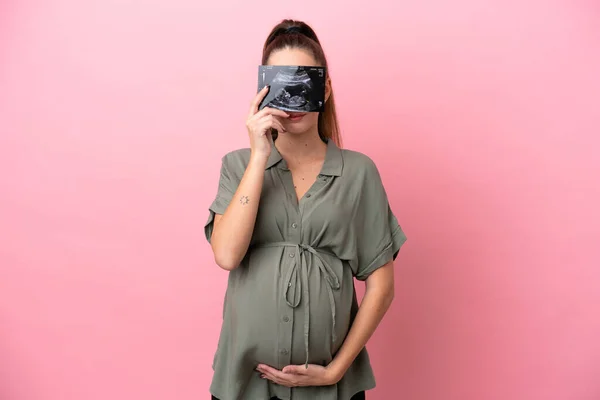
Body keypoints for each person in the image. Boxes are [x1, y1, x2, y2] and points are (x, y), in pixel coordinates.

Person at [204, 19, 407, 400]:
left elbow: (382, 285)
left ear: (325, 88)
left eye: (305, 81)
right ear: (263, 89)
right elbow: (227, 254)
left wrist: (335, 370)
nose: (293, 96)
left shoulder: (358, 172)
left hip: (331, 389)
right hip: (243, 384)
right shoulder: (237, 165)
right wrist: (260, 155)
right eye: (280, 83)